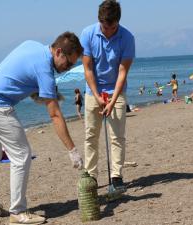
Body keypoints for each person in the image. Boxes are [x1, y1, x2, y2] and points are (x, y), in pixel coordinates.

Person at [0, 32, 84, 225]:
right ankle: (17, 212)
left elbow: (23, 75)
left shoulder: (32, 44)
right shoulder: (45, 71)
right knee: (22, 155)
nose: (67, 68)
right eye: (68, 63)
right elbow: (55, 115)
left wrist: (42, 92)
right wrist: (72, 150)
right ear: (58, 51)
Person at [80, 0, 135, 191]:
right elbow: (87, 69)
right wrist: (96, 96)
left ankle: (116, 176)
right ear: (99, 21)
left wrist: (112, 100)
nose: (108, 31)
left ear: (118, 22)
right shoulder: (87, 34)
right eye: (105, 27)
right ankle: (91, 175)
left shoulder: (127, 38)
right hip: (92, 90)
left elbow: (122, 72)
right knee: (91, 135)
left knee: (117, 136)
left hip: (116, 91)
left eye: (112, 27)